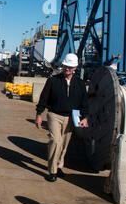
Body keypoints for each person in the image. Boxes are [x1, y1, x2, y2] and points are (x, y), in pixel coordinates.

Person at [35, 53, 89, 182]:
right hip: (54, 115)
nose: (67, 69)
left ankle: (58, 166)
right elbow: (43, 98)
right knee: (56, 141)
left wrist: (85, 117)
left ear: (75, 68)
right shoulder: (53, 81)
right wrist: (39, 114)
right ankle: (52, 171)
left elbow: (84, 102)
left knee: (64, 145)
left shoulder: (80, 84)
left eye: (70, 67)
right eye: (65, 66)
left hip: (71, 117)